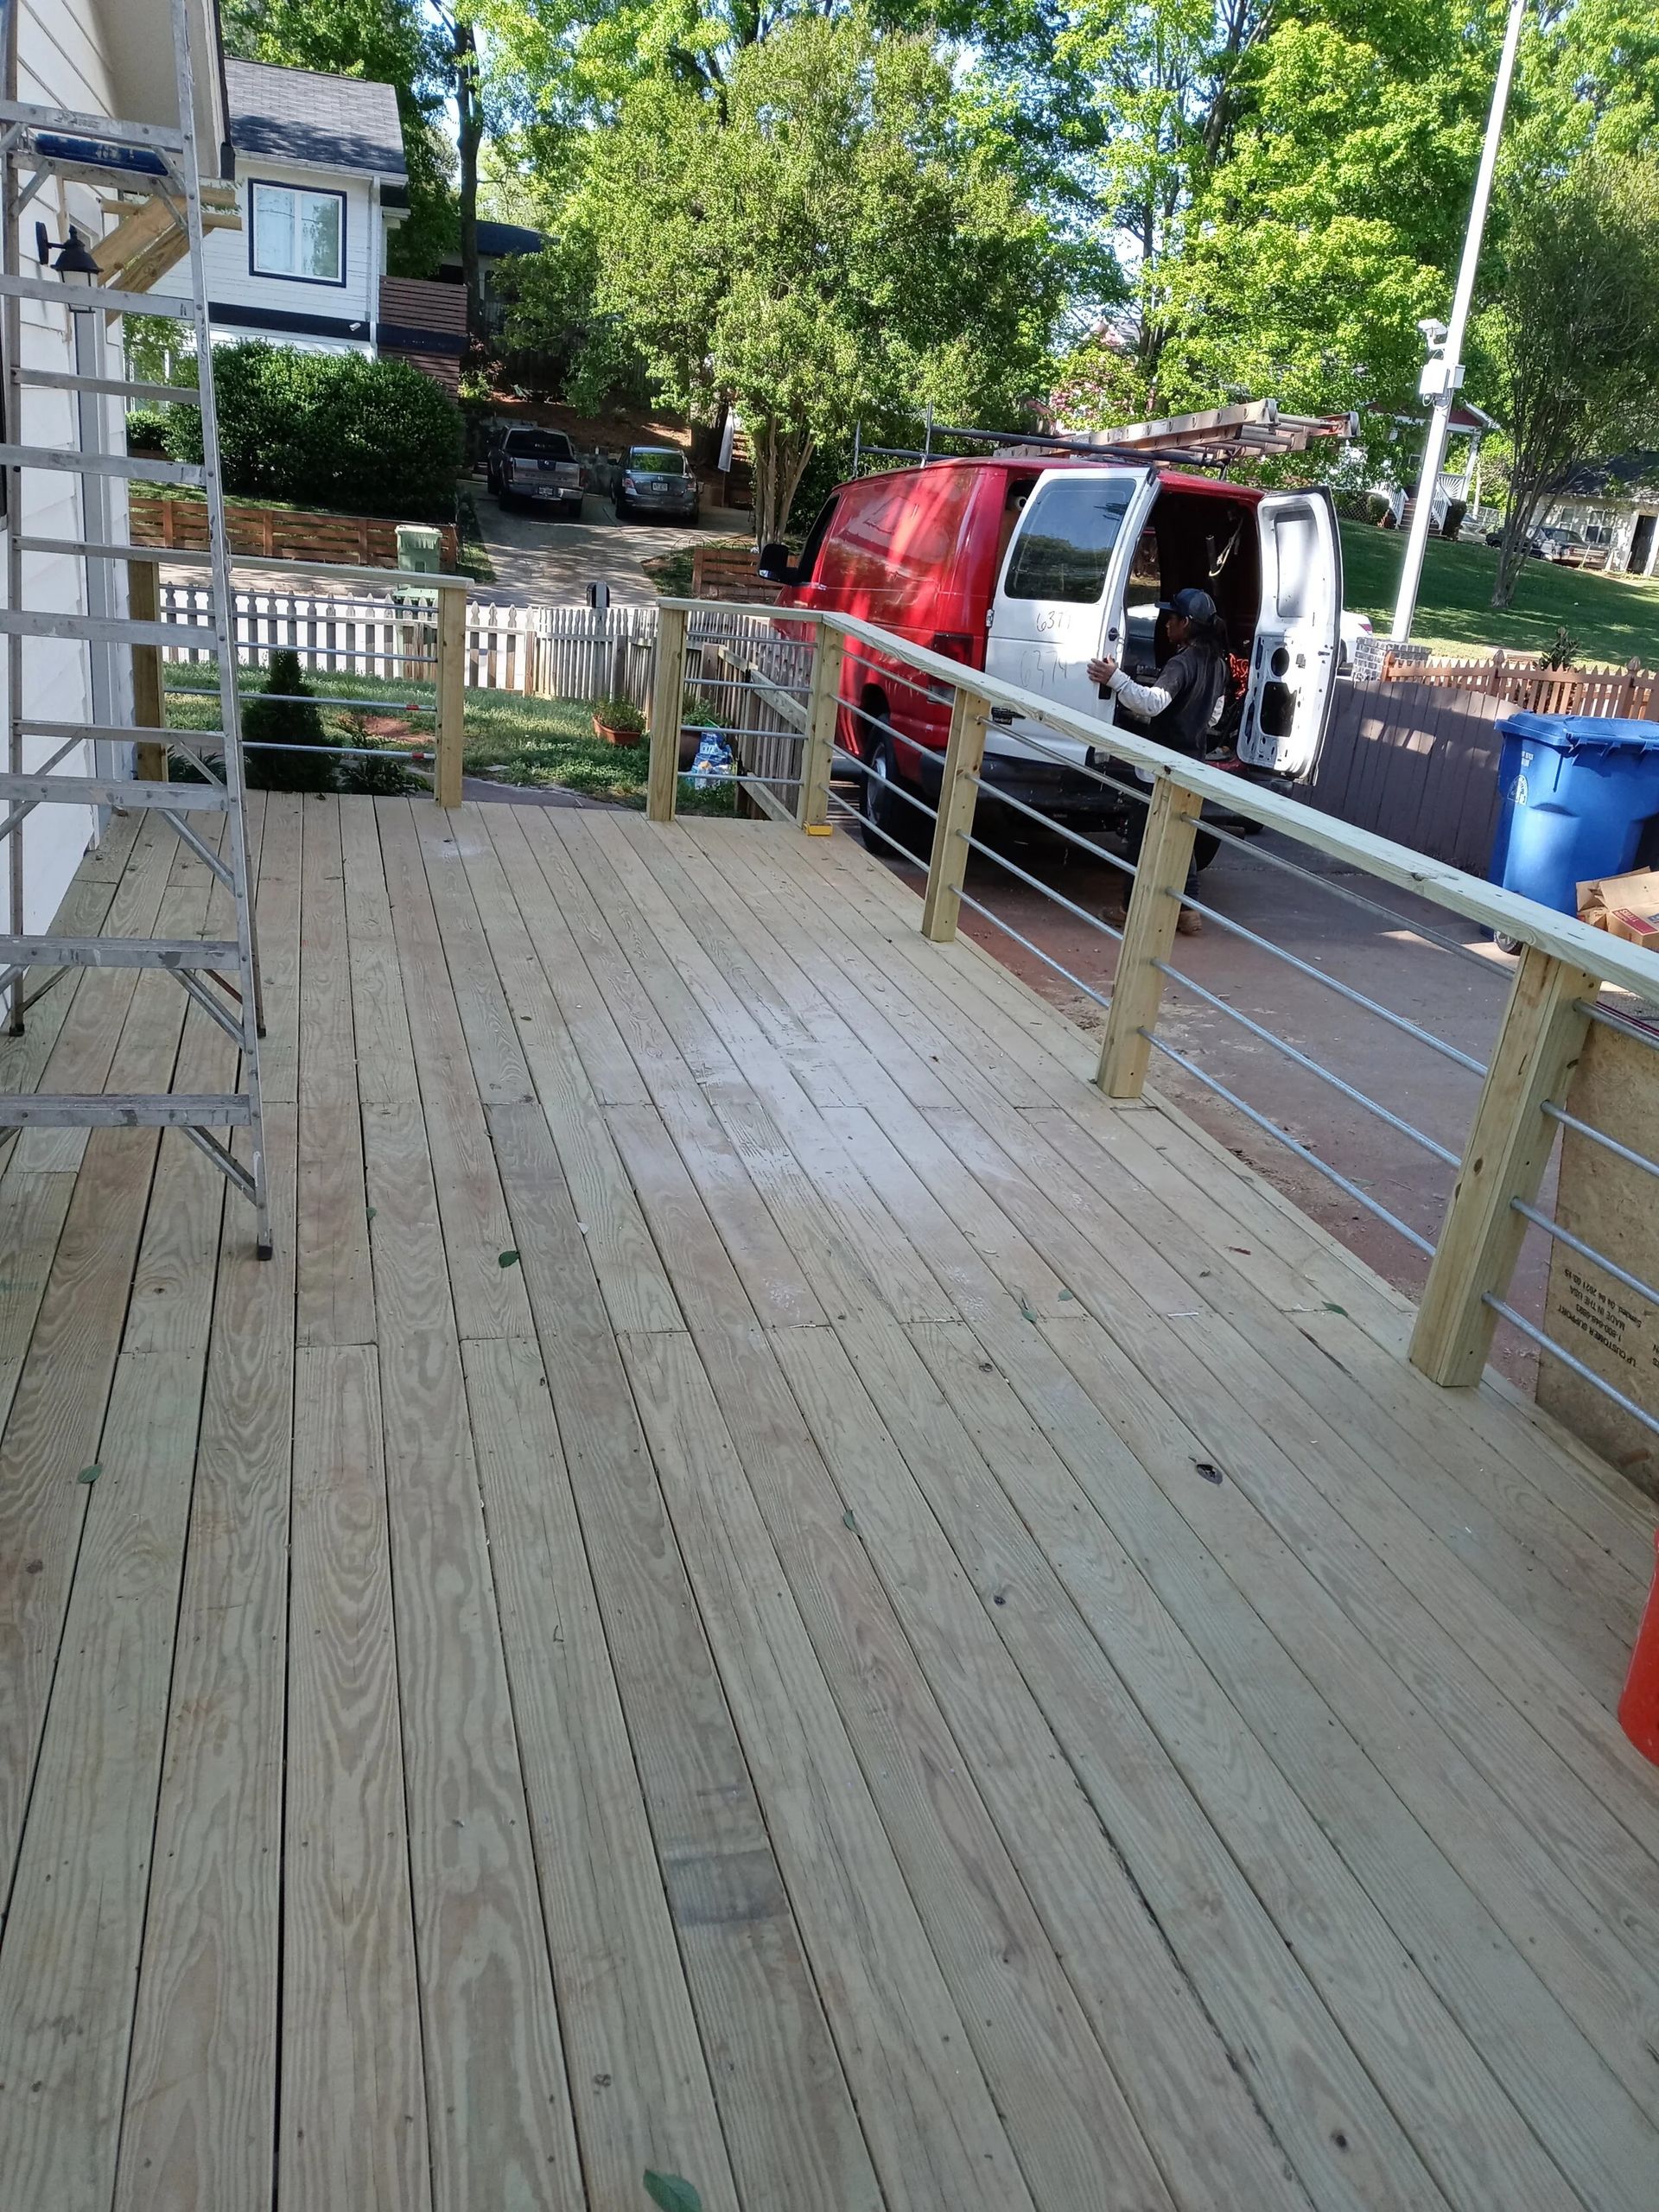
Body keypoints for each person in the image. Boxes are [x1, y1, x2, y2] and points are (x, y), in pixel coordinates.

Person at [1086, 585, 1230, 938]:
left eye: (1171, 618)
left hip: (1159, 768)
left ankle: (1128, 908)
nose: (1166, 624)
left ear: (1186, 623)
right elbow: (1214, 716)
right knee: (1181, 837)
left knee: (1140, 837)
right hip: (1193, 766)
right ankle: (1188, 910)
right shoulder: (1218, 665)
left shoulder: (1181, 663)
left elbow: (1152, 704)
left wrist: (1115, 679)